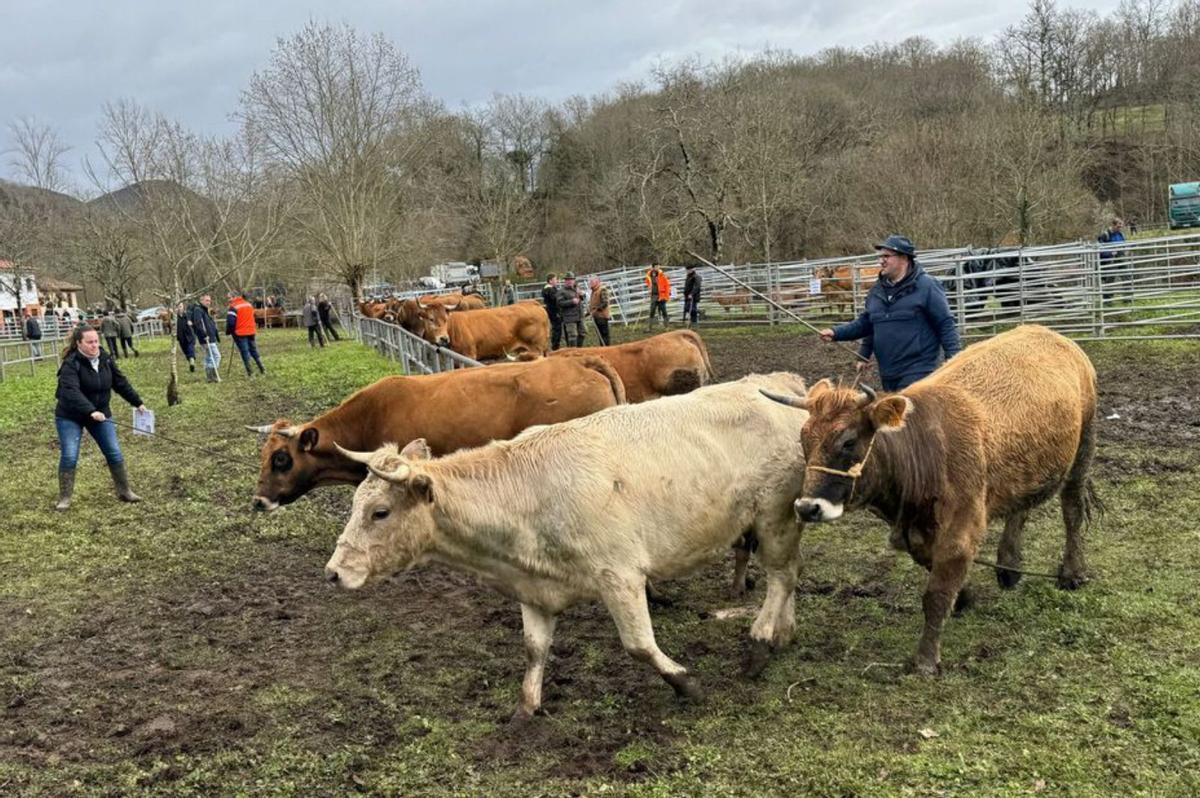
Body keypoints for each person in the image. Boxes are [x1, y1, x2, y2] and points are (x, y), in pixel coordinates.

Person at [818, 234, 961, 391]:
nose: (881, 261)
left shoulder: (926, 286)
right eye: (880, 257)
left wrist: (954, 364)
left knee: (909, 413)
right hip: (888, 371)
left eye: (886, 256)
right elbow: (867, 324)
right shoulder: (877, 291)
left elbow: (945, 324)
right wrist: (836, 333)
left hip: (920, 370)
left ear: (904, 258)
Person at [53, 324, 148, 510]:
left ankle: (124, 491)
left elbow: (120, 383)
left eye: (96, 341)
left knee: (114, 451)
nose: (94, 345)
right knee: (70, 455)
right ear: (79, 343)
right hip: (70, 415)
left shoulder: (105, 359)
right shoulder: (71, 364)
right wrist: (90, 411)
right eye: (89, 342)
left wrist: (138, 402)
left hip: (100, 413)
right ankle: (64, 497)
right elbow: (71, 391)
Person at [227, 292, 265, 376]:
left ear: (235, 297)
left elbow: (231, 323)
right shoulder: (249, 304)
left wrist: (229, 332)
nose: (228, 300)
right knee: (253, 350)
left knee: (245, 352)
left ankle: (250, 372)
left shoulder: (233, 307)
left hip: (240, 333)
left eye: (229, 298)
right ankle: (262, 368)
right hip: (251, 332)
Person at [188, 294, 222, 382]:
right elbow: (198, 323)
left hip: (209, 337)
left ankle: (209, 377)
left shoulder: (205, 310)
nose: (209, 302)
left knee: (208, 357)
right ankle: (213, 376)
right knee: (216, 356)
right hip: (206, 338)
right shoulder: (198, 310)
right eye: (207, 300)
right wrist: (204, 335)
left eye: (209, 300)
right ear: (201, 301)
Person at [1098, 217, 1128, 301]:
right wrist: (1110, 253)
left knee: (1127, 276)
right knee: (1110, 278)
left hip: (1120, 257)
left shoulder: (1121, 234)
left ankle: (1128, 298)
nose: (1120, 228)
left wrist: (1125, 250)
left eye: (1121, 226)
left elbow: (1124, 244)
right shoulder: (1105, 235)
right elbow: (1099, 249)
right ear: (1113, 225)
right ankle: (1107, 299)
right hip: (1110, 259)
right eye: (1118, 226)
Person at [556, 272, 585, 347]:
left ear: (574, 280)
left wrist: (582, 295)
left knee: (582, 333)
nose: (570, 281)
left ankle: (579, 350)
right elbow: (560, 303)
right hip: (569, 317)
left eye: (571, 279)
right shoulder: (561, 291)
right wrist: (572, 301)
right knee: (573, 335)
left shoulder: (577, 289)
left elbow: (583, 299)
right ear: (565, 281)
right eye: (568, 280)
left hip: (580, 316)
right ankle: (572, 352)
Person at [588, 276, 612, 346]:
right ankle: (603, 348)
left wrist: (596, 309)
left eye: (591, 282)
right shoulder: (594, 291)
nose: (590, 283)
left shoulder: (602, 290)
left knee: (604, 335)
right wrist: (589, 312)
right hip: (596, 316)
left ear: (597, 282)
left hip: (602, 317)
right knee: (600, 336)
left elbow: (605, 303)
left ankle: (606, 349)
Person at [542, 273, 563, 350]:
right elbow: (555, 299)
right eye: (555, 279)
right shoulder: (549, 290)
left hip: (554, 311)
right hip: (554, 311)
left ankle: (556, 344)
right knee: (557, 328)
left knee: (557, 328)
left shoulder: (551, 289)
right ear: (550, 281)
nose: (557, 281)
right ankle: (555, 346)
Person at [175, 302, 197, 372]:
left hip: (190, 336)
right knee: (186, 352)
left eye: (180, 306)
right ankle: (191, 362)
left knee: (190, 349)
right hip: (181, 338)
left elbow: (195, 322)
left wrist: (191, 323)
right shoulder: (175, 318)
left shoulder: (187, 315)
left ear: (183, 307)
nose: (179, 308)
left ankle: (192, 361)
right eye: (177, 307)